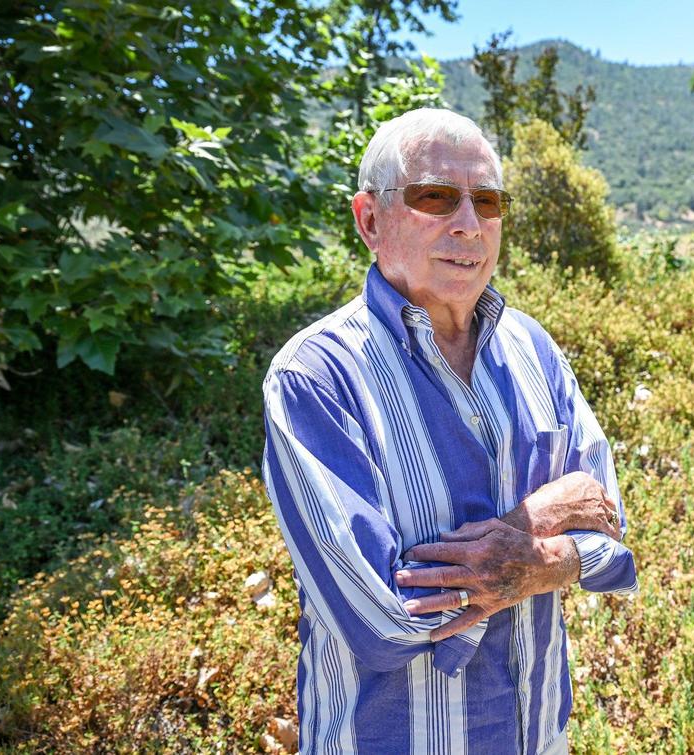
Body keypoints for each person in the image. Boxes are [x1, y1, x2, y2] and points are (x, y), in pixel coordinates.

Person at [262, 107, 637, 754]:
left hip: (537, 735)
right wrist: (536, 523)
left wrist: (542, 560)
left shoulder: (533, 349)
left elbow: (612, 534)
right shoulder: (315, 376)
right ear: (370, 220)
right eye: (435, 196)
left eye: (487, 201)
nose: (469, 223)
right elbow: (378, 616)